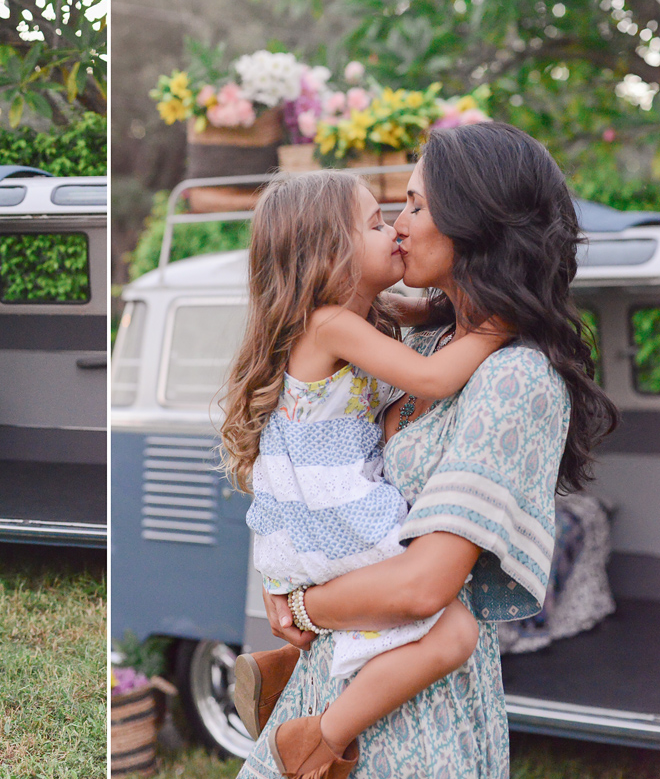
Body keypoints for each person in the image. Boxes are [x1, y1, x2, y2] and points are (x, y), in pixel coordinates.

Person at [235, 122, 617, 779]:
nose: (400, 226)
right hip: (333, 684)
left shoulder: (513, 376)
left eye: (414, 205)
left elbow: (424, 586)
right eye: (390, 213)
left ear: (475, 223)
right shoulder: (421, 346)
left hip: (416, 723)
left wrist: (299, 601)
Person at [220, 170, 506, 777]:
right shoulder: (330, 325)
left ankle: (287, 673)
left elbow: (425, 309)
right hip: (338, 513)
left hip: (316, 515)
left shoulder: (358, 316)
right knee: (454, 633)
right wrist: (498, 329)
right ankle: (318, 737)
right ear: (331, 254)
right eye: (376, 224)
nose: (395, 231)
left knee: (412, 629)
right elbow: (431, 378)